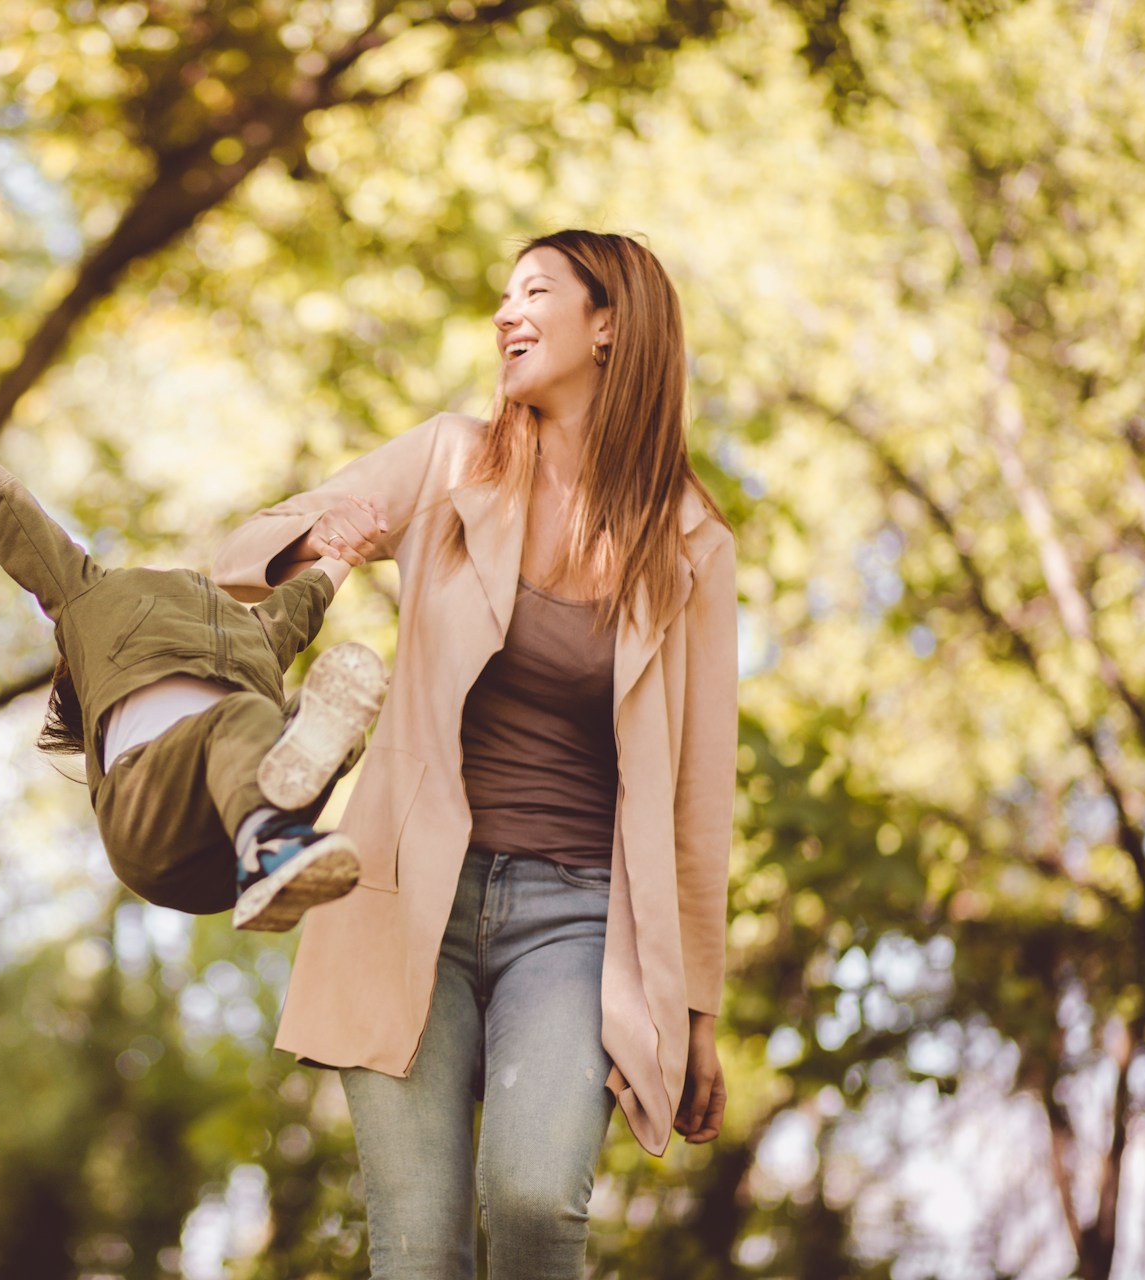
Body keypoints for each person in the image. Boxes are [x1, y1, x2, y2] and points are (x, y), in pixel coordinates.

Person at [213, 230, 738, 1278]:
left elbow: (697, 795)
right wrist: (323, 542)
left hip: (581, 915)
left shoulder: (690, 543)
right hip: (407, 894)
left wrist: (699, 1012)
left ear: (610, 324)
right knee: (416, 1246)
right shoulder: (457, 459)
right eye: (503, 293)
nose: (506, 313)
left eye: (535, 291)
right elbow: (237, 558)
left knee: (536, 1198)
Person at [0, 373, 387, 931]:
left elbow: (300, 607)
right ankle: (269, 848)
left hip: (222, 837)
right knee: (244, 715)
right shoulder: (91, 598)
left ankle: (280, 818)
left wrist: (347, 548)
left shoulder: (248, 637)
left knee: (315, 714)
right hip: (150, 819)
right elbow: (9, 512)